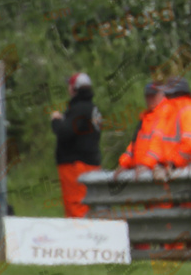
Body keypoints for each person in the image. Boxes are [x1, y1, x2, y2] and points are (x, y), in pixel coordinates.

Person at [51, 72, 102, 218]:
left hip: (76, 166)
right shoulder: (92, 108)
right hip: (90, 164)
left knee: (76, 207)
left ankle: (80, 239)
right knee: (87, 205)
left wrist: (56, 120)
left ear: (74, 89)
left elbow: (64, 132)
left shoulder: (79, 109)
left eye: (70, 85)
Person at [150, 76, 191, 177]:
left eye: (167, 93)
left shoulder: (189, 111)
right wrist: (161, 164)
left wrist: (174, 165)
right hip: (184, 170)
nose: (164, 96)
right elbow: (164, 144)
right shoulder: (173, 112)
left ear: (175, 93)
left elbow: (189, 145)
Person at [114, 82, 166, 179]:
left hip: (155, 171)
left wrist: (147, 164)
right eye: (147, 96)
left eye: (153, 95)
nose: (150, 99)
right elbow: (134, 145)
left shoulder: (165, 115)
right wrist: (124, 163)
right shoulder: (146, 117)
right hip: (142, 171)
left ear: (162, 95)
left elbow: (158, 145)